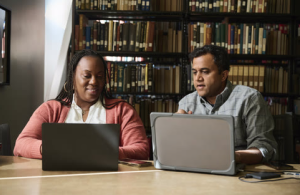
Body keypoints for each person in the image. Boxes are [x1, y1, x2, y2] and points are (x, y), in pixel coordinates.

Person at [14, 49, 149, 160]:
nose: (94, 82)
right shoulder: (51, 109)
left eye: (100, 76)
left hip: (108, 183)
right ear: (72, 79)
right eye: (87, 75)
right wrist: (52, 148)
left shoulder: (123, 110)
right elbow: (21, 144)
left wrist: (106, 152)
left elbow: (141, 149)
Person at [177, 45, 277, 164]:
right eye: (194, 72)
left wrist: (234, 157)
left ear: (223, 75)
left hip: (239, 170)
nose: (198, 78)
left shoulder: (249, 98)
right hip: (196, 168)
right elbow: (179, 149)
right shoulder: (186, 103)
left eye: (205, 72)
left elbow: (264, 147)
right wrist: (177, 132)